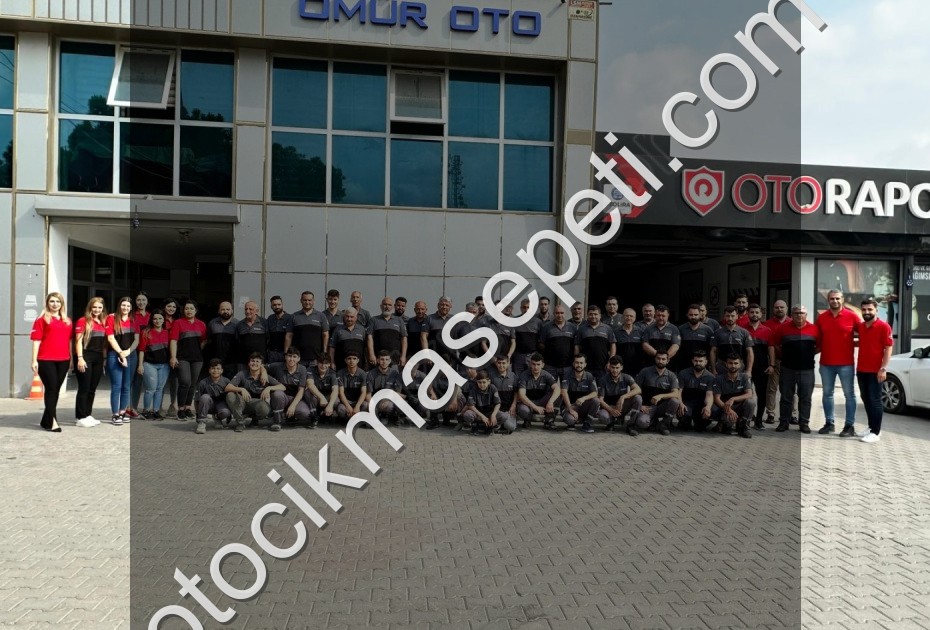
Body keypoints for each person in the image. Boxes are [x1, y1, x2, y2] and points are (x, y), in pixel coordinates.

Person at [816, 289, 861, 436]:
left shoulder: (852, 316)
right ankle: (829, 424)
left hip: (846, 364)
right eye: (832, 299)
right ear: (828, 300)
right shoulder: (822, 318)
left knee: (849, 395)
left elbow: (865, 333)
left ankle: (849, 426)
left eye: (837, 298)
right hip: (826, 364)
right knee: (827, 394)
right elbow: (817, 339)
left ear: (842, 299)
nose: (834, 301)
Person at [769, 304, 819, 434]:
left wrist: (807, 355)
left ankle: (804, 423)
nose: (799, 315)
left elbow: (819, 347)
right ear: (792, 315)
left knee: (805, 398)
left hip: (807, 370)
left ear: (806, 315)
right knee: (786, 397)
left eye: (802, 313)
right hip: (787, 369)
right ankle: (783, 423)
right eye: (796, 313)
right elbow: (776, 345)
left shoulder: (814, 329)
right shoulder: (783, 328)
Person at [30, 292, 72, 432]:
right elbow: (36, 340)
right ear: (47, 303)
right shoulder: (41, 320)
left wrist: (71, 359)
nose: (55, 304)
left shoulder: (67, 321)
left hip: (64, 360)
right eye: (52, 301)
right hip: (46, 360)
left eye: (58, 301)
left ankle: (45, 420)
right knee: (52, 389)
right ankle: (53, 421)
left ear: (62, 304)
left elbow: (69, 341)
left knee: (54, 390)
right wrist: (34, 360)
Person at [855, 298, 893, 443]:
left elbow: (888, 348)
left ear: (876, 310)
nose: (867, 312)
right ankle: (871, 427)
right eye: (864, 309)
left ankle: (876, 432)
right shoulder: (861, 326)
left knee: (875, 400)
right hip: (861, 369)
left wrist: (883, 369)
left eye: (870, 309)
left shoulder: (884, 326)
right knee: (866, 399)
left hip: (876, 371)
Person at [225, 353, 284, 432]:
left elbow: (282, 387)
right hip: (242, 402)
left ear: (261, 365)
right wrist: (242, 389)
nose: (254, 363)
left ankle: (253, 418)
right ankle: (240, 423)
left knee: (265, 410)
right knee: (230, 395)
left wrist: (269, 388)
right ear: (249, 363)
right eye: (252, 361)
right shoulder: (242, 374)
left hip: (257, 404)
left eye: (257, 361)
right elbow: (227, 387)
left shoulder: (265, 377)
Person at [170, 300, 208, 420]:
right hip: (182, 358)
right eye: (186, 308)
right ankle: (180, 409)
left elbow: (204, 340)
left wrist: (197, 350)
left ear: (196, 310)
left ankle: (187, 408)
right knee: (185, 382)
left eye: (191, 308)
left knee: (193, 384)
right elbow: (173, 341)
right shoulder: (178, 323)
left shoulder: (201, 324)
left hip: (197, 358)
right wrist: (173, 357)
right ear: (183, 310)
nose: (189, 311)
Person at [105, 296, 139, 425]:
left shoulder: (134, 320)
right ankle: (115, 415)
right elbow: (110, 338)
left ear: (131, 308)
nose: (125, 308)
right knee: (116, 386)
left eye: (128, 306)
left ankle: (122, 412)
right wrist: (121, 353)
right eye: (123, 305)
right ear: (119, 305)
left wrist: (127, 352)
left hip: (131, 355)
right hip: (114, 355)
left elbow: (136, 340)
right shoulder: (111, 318)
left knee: (126, 386)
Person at [74, 297, 108, 427]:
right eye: (94, 307)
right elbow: (78, 341)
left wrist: (104, 359)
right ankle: (80, 417)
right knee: (84, 388)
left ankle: (87, 415)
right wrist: (80, 358)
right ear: (90, 307)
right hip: (85, 356)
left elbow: (104, 344)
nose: (97, 310)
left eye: (100, 307)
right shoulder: (83, 321)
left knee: (92, 389)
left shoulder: (103, 322)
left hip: (98, 357)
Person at [632, 350, 680, 436]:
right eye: (658, 358)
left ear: (668, 361)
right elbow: (634, 389)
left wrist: (661, 396)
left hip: (662, 407)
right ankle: (653, 422)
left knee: (675, 401)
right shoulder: (645, 371)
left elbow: (676, 393)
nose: (660, 361)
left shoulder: (671, 375)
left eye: (663, 359)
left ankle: (664, 425)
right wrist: (640, 405)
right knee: (641, 423)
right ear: (655, 359)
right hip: (647, 407)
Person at [138, 310, 171, 420]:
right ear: (151, 320)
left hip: (164, 365)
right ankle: (146, 411)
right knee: (151, 389)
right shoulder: (146, 332)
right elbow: (141, 350)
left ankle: (156, 411)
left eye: (160, 318)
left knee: (159, 389)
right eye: (155, 319)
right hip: (149, 364)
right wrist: (140, 365)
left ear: (164, 320)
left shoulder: (167, 333)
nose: (157, 321)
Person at [712, 354, 755, 438]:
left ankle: (743, 427)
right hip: (725, 408)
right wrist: (729, 410)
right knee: (724, 418)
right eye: (730, 363)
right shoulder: (719, 379)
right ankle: (725, 425)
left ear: (740, 364)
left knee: (751, 402)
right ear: (726, 364)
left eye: (736, 363)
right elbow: (717, 399)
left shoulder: (744, 377)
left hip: (740, 406)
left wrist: (733, 398)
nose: (733, 366)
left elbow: (749, 394)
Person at [597, 355, 642, 434]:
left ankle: (631, 425)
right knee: (603, 416)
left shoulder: (626, 377)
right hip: (609, 407)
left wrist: (623, 397)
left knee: (638, 398)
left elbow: (638, 389)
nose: (615, 370)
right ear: (609, 367)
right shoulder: (603, 380)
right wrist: (611, 410)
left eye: (617, 368)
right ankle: (610, 422)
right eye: (613, 367)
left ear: (621, 367)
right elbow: (600, 400)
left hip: (622, 406)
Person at [268, 347, 311, 430]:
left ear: (298, 359)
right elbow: (261, 367)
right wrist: (264, 374)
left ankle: (290, 417)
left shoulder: (302, 369)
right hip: (282, 397)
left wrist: (293, 406)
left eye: (294, 357)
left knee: (304, 413)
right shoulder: (277, 366)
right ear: (285, 357)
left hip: (295, 398)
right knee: (277, 394)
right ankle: (277, 422)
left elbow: (301, 391)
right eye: (289, 356)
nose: (291, 359)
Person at [744, 303, 772, 430]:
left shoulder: (767, 331)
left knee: (762, 395)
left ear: (761, 314)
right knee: (745, 394)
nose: (754, 314)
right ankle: (744, 420)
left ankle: (759, 421)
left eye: (757, 312)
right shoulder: (742, 329)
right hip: (745, 368)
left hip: (762, 368)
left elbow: (771, 349)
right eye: (752, 312)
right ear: (748, 314)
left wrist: (772, 365)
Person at [762, 300, 790, 424]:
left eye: (782, 307)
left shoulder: (792, 322)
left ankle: (792, 414)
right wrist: (771, 363)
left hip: (790, 363)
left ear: (786, 308)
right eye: (777, 307)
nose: (779, 309)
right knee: (771, 389)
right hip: (774, 361)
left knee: (790, 390)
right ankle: (770, 413)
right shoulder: (767, 324)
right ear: (773, 309)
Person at [515, 353, 560, 429]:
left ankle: (549, 421)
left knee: (558, 395)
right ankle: (527, 419)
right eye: (533, 364)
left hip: (541, 401)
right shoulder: (524, 375)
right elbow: (521, 395)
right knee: (523, 410)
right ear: (530, 364)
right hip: (528, 403)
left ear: (543, 365)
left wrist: (550, 402)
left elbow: (557, 388)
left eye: (538, 364)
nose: (536, 367)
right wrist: (536, 407)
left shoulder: (546, 374)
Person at [463, 370, 515, 435]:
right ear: (477, 382)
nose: (482, 385)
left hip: (489, 413)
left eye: (484, 382)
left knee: (504, 416)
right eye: (479, 382)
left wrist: (493, 415)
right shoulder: (474, 389)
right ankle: (475, 425)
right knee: (467, 414)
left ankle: (491, 426)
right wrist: (482, 416)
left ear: (488, 381)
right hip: (478, 413)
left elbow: (498, 403)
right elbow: (471, 405)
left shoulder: (493, 388)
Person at [676, 350, 715, 432]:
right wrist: (680, 404)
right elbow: (679, 392)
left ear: (706, 362)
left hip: (701, 405)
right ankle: (684, 422)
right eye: (696, 361)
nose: (698, 363)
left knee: (702, 424)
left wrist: (708, 407)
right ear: (692, 361)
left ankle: (700, 423)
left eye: (701, 361)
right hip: (687, 404)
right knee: (684, 419)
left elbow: (709, 395)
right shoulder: (683, 374)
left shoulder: (711, 377)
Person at [560, 354, 600, 433]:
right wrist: (570, 409)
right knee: (570, 420)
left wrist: (583, 398)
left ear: (585, 364)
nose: (579, 365)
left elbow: (595, 393)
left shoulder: (589, 376)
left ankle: (587, 423)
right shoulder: (567, 375)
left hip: (582, 406)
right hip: (569, 406)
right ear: (573, 364)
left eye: (581, 363)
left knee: (596, 401)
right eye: (577, 362)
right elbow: (564, 392)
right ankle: (572, 422)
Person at [574, 305, 616, 380]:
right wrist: (577, 361)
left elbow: (612, 345)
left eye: (595, 314)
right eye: (591, 314)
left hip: (603, 368)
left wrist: (610, 361)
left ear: (600, 316)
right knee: (585, 387)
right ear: (587, 315)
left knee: (602, 387)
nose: (593, 316)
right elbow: (577, 346)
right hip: (586, 367)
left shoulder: (607, 329)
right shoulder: (581, 329)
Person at [291, 291, 329, 371]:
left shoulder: (321, 316)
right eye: (305, 300)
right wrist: (287, 353)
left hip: (315, 358)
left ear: (313, 301)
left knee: (313, 378)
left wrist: (324, 352)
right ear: (301, 301)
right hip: (298, 358)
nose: (307, 302)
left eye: (309, 300)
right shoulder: (294, 316)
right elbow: (289, 336)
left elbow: (325, 335)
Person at [710, 306, 754, 375]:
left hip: (739, 368)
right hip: (721, 368)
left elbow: (749, 351)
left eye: (732, 316)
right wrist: (713, 369)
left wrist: (749, 370)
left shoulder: (744, 332)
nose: (730, 318)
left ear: (737, 316)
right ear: (724, 317)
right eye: (728, 316)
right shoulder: (717, 333)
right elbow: (713, 351)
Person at [127, 290, 151, 417]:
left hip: (147, 352)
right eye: (138, 300)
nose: (141, 302)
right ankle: (127, 407)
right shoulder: (131, 316)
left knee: (138, 382)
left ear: (147, 301)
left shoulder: (151, 316)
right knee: (129, 380)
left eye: (143, 300)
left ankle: (134, 408)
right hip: (133, 351)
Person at [363, 350, 403, 425]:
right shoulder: (371, 374)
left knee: (391, 405)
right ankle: (375, 415)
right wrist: (373, 406)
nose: (384, 362)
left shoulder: (394, 373)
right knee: (365, 406)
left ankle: (387, 416)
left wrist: (387, 400)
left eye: (387, 359)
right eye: (382, 359)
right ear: (378, 360)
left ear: (390, 361)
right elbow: (368, 394)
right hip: (374, 401)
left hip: (387, 401)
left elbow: (397, 392)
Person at [194, 359, 232, 434]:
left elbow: (230, 398)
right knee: (205, 397)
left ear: (222, 370)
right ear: (209, 370)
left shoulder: (226, 381)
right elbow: (197, 400)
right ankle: (202, 423)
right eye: (213, 368)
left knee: (226, 412)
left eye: (218, 368)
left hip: (221, 404)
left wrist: (229, 414)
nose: (215, 370)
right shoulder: (203, 382)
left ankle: (217, 418)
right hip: (208, 405)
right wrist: (197, 414)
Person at [539, 304, 576, 381]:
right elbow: (541, 345)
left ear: (565, 314)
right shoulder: (546, 327)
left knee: (566, 387)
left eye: (562, 313)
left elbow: (575, 346)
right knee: (550, 387)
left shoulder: (572, 327)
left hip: (567, 366)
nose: (559, 315)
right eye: (557, 313)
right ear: (553, 314)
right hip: (550, 366)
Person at [367, 297, 408, 366]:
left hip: (395, 357)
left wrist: (403, 356)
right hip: (379, 357)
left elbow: (404, 338)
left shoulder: (399, 320)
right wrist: (371, 354)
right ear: (381, 306)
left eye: (389, 305)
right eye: (385, 304)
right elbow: (369, 338)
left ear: (393, 307)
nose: (387, 307)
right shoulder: (373, 320)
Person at [676, 304, 715, 372]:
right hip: (683, 368)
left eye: (696, 315)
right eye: (691, 315)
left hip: (702, 368)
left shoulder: (708, 330)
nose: (693, 317)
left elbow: (711, 350)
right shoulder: (680, 329)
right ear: (687, 315)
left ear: (700, 315)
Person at [305, 353, 339, 427]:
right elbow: (310, 384)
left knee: (336, 400)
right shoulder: (310, 369)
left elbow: (335, 389)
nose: (323, 366)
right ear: (317, 363)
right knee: (307, 392)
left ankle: (327, 414)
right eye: (321, 363)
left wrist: (330, 405)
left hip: (327, 397)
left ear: (329, 364)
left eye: (326, 363)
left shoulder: (333, 373)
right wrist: (321, 397)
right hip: (316, 396)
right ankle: (314, 417)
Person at [207, 301, 238, 378]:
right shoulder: (212, 323)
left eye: (228, 309)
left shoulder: (237, 324)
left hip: (231, 361)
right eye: (223, 309)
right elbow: (209, 340)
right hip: (215, 360)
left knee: (230, 382)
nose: (225, 311)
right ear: (219, 311)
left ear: (232, 311)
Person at [236, 300, 268, 372]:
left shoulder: (264, 322)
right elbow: (237, 341)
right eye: (246, 309)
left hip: (259, 361)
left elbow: (268, 340)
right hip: (243, 362)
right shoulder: (240, 324)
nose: (247, 311)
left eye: (250, 309)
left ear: (257, 311)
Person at [161, 298, 180, 417]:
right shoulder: (159, 318)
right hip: (161, 352)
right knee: (162, 381)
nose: (171, 309)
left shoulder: (178, 320)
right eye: (169, 306)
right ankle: (159, 406)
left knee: (174, 381)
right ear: (164, 307)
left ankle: (174, 404)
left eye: (174, 307)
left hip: (175, 353)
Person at [336, 351, 367, 420]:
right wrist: (348, 406)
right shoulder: (340, 373)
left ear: (358, 360)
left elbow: (363, 392)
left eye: (354, 358)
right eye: (349, 358)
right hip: (346, 401)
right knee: (340, 409)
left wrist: (357, 406)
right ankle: (347, 420)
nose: (351, 361)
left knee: (366, 405)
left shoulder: (363, 374)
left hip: (357, 401)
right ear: (345, 360)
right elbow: (341, 393)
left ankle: (358, 419)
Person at [613, 308, 644, 376]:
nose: (629, 318)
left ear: (635, 318)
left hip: (637, 368)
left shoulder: (640, 332)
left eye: (631, 316)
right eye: (626, 316)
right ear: (622, 317)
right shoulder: (616, 332)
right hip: (621, 368)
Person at [266, 295, 294, 365]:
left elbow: (289, 337)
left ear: (282, 305)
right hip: (272, 354)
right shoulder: (270, 318)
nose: (277, 307)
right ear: (271, 306)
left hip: (284, 353)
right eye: (274, 305)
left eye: (279, 304)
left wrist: (286, 353)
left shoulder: (290, 318)